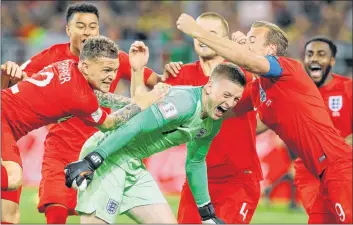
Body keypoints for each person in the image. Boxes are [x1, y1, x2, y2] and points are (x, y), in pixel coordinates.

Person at [176, 14, 352, 224]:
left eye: (252, 40)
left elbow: (248, 61)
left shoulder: (288, 67)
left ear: (270, 51)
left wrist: (199, 32)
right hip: (321, 175)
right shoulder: (257, 89)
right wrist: (171, 92)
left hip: (339, 166)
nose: (244, 42)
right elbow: (217, 108)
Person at [0, 3, 161, 224]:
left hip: (11, 125)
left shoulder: (67, 65)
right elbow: (110, 122)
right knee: (12, 177)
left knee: (9, 212)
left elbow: (100, 97)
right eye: (106, 71)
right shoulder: (79, 95)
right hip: (11, 123)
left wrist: (134, 98)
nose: (111, 76)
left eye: (114, 72)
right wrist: (140, 104)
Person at [64, 58, 247, 224]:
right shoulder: (185, 103)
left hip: (133, 164)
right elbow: (137, 124)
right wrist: (93, 160)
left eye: (236, 98)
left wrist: (206, 213)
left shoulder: (213, 124)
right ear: (209, 87)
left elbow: (195, 162)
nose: (230, 103)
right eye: (226, 95)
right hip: (109, 154)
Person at [162, 12, 262, 224]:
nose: (201, 37)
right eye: (197, 31)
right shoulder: (179, 76)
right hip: (197, 180)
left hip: (238, 179)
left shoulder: (244, 73)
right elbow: (153, 112)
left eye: (211, 33)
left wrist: (248, 53)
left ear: (223, 40)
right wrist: (145, 73)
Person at [294, 36, 352, 222]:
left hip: (341, 167)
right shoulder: (296, 92)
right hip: (309, 171)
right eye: (310, 54)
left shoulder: (347, 88)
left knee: (345, 217)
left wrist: (339, 147)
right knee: (320, 218)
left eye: (321, 54)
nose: (314, 59)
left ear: (332, 60)